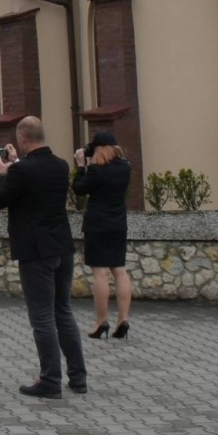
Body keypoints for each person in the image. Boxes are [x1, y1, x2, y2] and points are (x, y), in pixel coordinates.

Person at [0, 116, 87, 399]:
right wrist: (16, 164)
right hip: (62, 247)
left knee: (42, 317)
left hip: (36, 252)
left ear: (22, 140)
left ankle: (50, 381)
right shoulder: (61, 166)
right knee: (63, 312)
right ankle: (78, 377)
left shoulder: (21, 173)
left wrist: (2, 172)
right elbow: (33, 178)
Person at [73, 130, 133, 340]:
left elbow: (79, 189)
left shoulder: (96, 170)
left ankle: (101, 321)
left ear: (97, 148)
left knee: (100, 273)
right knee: (119, 270)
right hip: (118, 224)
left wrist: (81, 166)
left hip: (98, 224)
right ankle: (123, 319)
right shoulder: (126, 167)